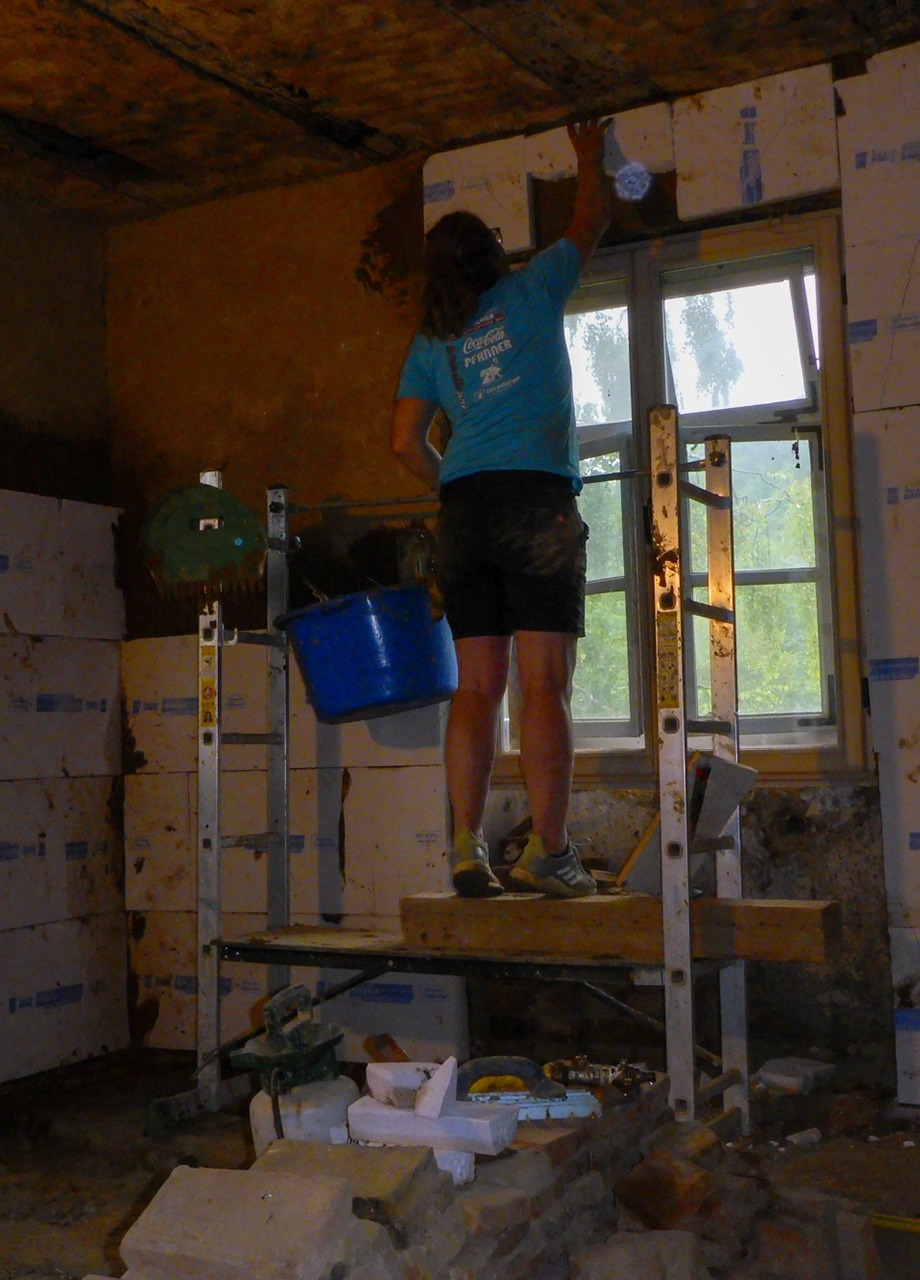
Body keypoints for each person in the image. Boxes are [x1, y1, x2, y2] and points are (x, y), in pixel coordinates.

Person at [390, 118, 612, 900]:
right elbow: (592, 219)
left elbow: (404, 442)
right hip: (533, 499)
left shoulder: (433, 339)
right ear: (492, 255)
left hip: (464, 511)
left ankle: (465, 849)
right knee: (543, 684)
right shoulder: (532, 288)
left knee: (477, 687)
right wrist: (589, 156)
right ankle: (550, 854)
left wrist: (455, 488)